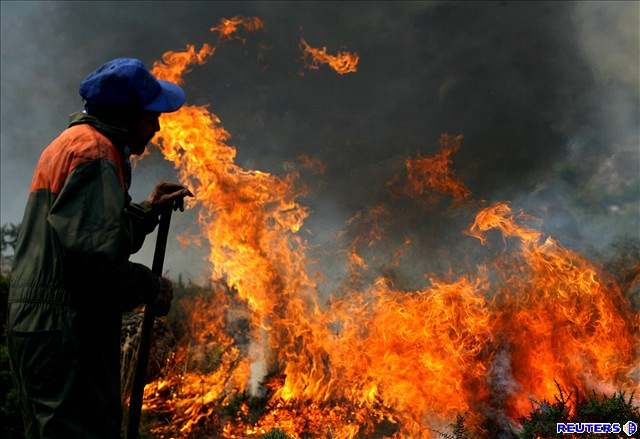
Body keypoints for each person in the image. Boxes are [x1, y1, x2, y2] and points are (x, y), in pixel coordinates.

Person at [7, 58, 193, 438]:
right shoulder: (94, 155)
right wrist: (150, 286)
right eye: (150, 115)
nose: (156, 126)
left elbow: (88, 232)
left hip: (48, 321)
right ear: (126, 116)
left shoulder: (73, 145)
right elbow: (92, 263)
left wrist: (146, 212)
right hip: (65, 326)